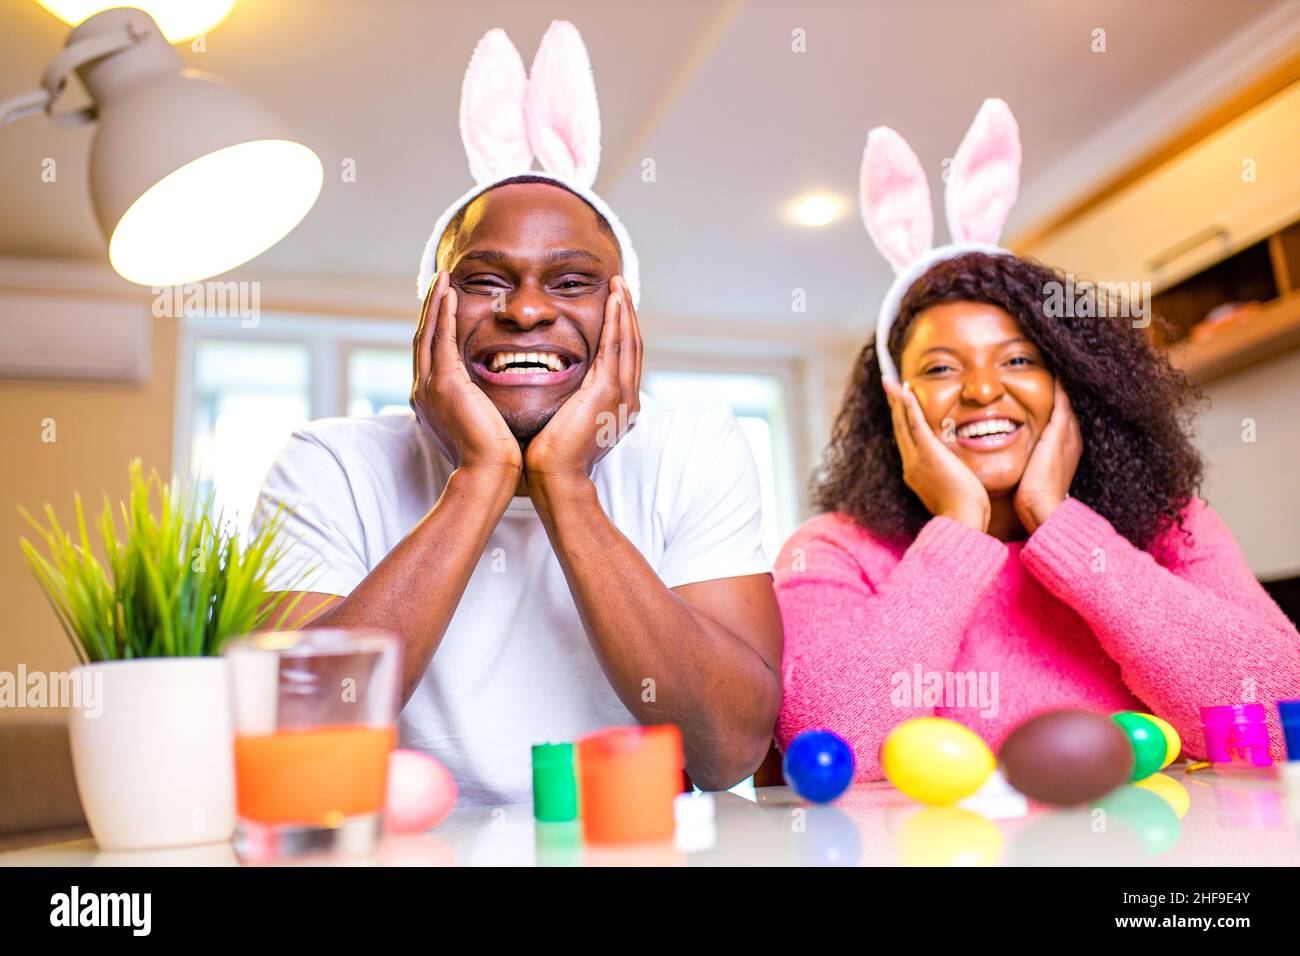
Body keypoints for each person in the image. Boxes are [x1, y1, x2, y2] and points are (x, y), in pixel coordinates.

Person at [254, 22, 781, 806]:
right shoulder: (328, 464)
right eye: (485, 280)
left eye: (570, 283)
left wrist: (567, 485)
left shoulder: (697, 447)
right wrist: (479, 479)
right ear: (431, 309)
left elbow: (728, 750)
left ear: (623, 316)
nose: (527, 310)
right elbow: (292, 737)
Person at [775, 99, 1300, 774]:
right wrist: (960, 530)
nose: (982, 390)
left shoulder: (1173, 524)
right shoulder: (833, 551)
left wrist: (1060, 527)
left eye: (1019, 359)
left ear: (1070, 383)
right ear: (894, 402)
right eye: (939, 368)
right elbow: (828, 745)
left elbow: (1276, 713)